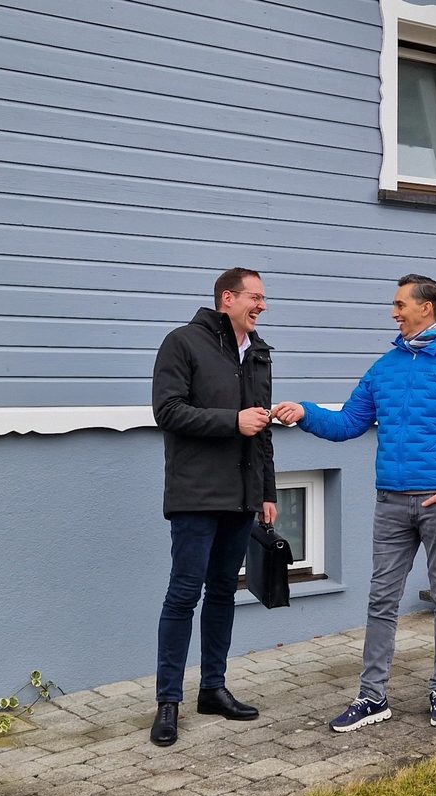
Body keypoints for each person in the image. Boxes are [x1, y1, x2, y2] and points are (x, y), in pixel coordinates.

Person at [272, 274, 436, 732]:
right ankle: (372, 696)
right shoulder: (385, 367)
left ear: (426, 308)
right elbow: (348, 422)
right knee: (381, 599)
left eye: (400, 304)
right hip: (391, 503)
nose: (393, 313)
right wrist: (305, 413)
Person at [148, 267, 277, 747]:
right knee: (184, 595)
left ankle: (213, 689)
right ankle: (168, 702)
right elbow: (167, 411)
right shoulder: (183, 343)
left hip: (242, 496)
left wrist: (267, 492)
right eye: (255, 296)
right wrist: (231, 421)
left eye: (263, 298)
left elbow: (260, 429)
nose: (262, 305)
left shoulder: (258, 352)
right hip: (196, 493)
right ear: (228, 298)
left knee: (224, 593)